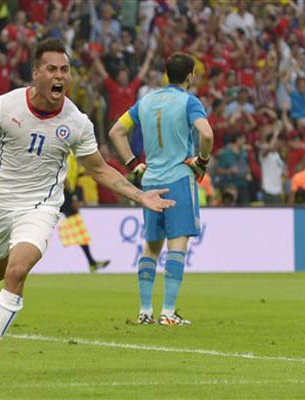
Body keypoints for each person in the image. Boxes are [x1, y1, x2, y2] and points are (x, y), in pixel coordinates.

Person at [0, 38, 175, 381]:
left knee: (16, 272)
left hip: (41, 207)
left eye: (65, 70)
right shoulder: (4, 107)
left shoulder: (77, 122)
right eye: (52, 69)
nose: (60, 76)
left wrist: (139, 195)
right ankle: (2, 303)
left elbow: (100, 169)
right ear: (35, 74)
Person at [109, 52, 214, 326]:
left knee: (151, 247)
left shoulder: (145, 101)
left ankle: (145, 311)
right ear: (190, 75)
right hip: (178, 178)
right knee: (177, 246)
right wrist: (202, 161)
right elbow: (206, 133)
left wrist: (134, 164)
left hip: (150, 181)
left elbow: (115, 132)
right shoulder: (189, 101)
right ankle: (168, 312)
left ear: (167, 73)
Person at [59, 152, 110, 272]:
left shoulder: (71, 155)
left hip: (62, 193)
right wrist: (73, 196)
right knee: (78, 229)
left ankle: (91, 262)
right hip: (63, 193)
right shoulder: (69, 155)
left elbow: (71, 177)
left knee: (77, 228)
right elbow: (65, 177)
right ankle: (91, 262)